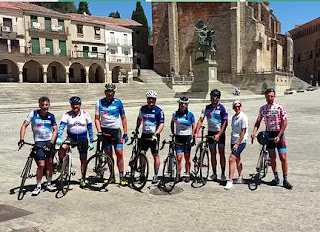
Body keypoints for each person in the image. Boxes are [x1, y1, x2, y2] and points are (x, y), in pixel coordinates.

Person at [251, 88, 292, 189]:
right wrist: (254, 132)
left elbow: (285, 122)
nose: (270, 98)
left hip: (279, 134)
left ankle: (285, 179)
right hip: (269, 135)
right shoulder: (263, 109)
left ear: (274, 96)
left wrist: (279, 135)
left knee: (283, 157)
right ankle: (276, 178)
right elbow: (258, 122)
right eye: (268, 96)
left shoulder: (279, 107)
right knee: (272, 157)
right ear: (265, 97)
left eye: (272, 96)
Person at [18, 96, 58, 195]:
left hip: (49, 141)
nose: (45, 107)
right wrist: (22, 139)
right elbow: (24, 125)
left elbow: (55, 130)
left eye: (46, 105)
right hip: (39, 142)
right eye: (43, 105)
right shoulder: (33, 114)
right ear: (39, 105)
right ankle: (38, 185)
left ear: (49, 105)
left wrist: (51, 142)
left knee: (50, 163)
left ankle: (49, 183)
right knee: (41, 165)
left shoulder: (51, 116)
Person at [95, 83, 129, 186]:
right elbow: (97, 119)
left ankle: (122, 176)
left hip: (116, 132)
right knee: (109, 155)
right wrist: (99, 131)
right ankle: (112, 176)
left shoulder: (118, 102)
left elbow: (123, 118)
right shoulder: (99, 102)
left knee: (119, 152)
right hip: (105, 132)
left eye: (112, 92)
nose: (110, 94)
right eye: (108, 92)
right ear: (105, 92)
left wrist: (126, 132)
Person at [56, 96, 94, 187]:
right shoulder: (67, 114)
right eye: (73, 104)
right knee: (63, 148)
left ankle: (83, 177)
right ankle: (61, 163)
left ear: (80, 105)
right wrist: (59, 137)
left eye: (77, 104)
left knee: (83, 159)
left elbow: (90, 128)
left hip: (82, 138)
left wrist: (91, 141)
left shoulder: (85, 114)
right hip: (71, 137)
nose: (75, 106)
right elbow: (61, 127)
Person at [195, 89, 228, 182]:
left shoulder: (223, 108)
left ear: (219, 98)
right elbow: (200, 120)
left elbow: (225, 123)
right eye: (213, 97)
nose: (215, 99)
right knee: (212, 153)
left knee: (221, 153)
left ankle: (223, 174)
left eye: (217, 97)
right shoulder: (206, 108)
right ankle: (214, 173)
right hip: (210, 133)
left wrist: (219, 134)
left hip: (220, 133)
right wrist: (196, 132)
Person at [135, 90, 165, 184]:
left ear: (155, 100)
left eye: (153, 99)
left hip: (154, 135)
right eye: (149, 99)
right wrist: (136, 129)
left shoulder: (158, 111)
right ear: (147, 99)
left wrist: (156, 133)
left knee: (155, 155)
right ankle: (142, 174)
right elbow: (139, 119)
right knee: (141, 154)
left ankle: (155, 175)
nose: (151, 100)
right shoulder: (143, 109)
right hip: (144, 134)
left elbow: (161, 124)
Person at [171, 97, 196, 182]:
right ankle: (178, 174)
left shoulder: (190, 114)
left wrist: (193, 135)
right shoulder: (175, 114)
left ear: (187, 105)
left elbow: (193, 125)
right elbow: (172, 123)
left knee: (187, 157)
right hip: (178, 137)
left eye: (185, 104)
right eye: (181, 104)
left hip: (187, 137)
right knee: (179, 158)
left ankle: (188, 172)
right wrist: (173, 132)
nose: (183, 105)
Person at [225, 100, 248, 190]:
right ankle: (240, 177)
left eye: (238, 106)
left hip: (240, 142)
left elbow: (243, 131)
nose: (237, 108)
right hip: (233, 141)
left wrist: (237, 144)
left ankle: (229, 181)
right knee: (237, 159)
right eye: (235, 107)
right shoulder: (234, 117)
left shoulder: (243, 117)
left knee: (231, 159)